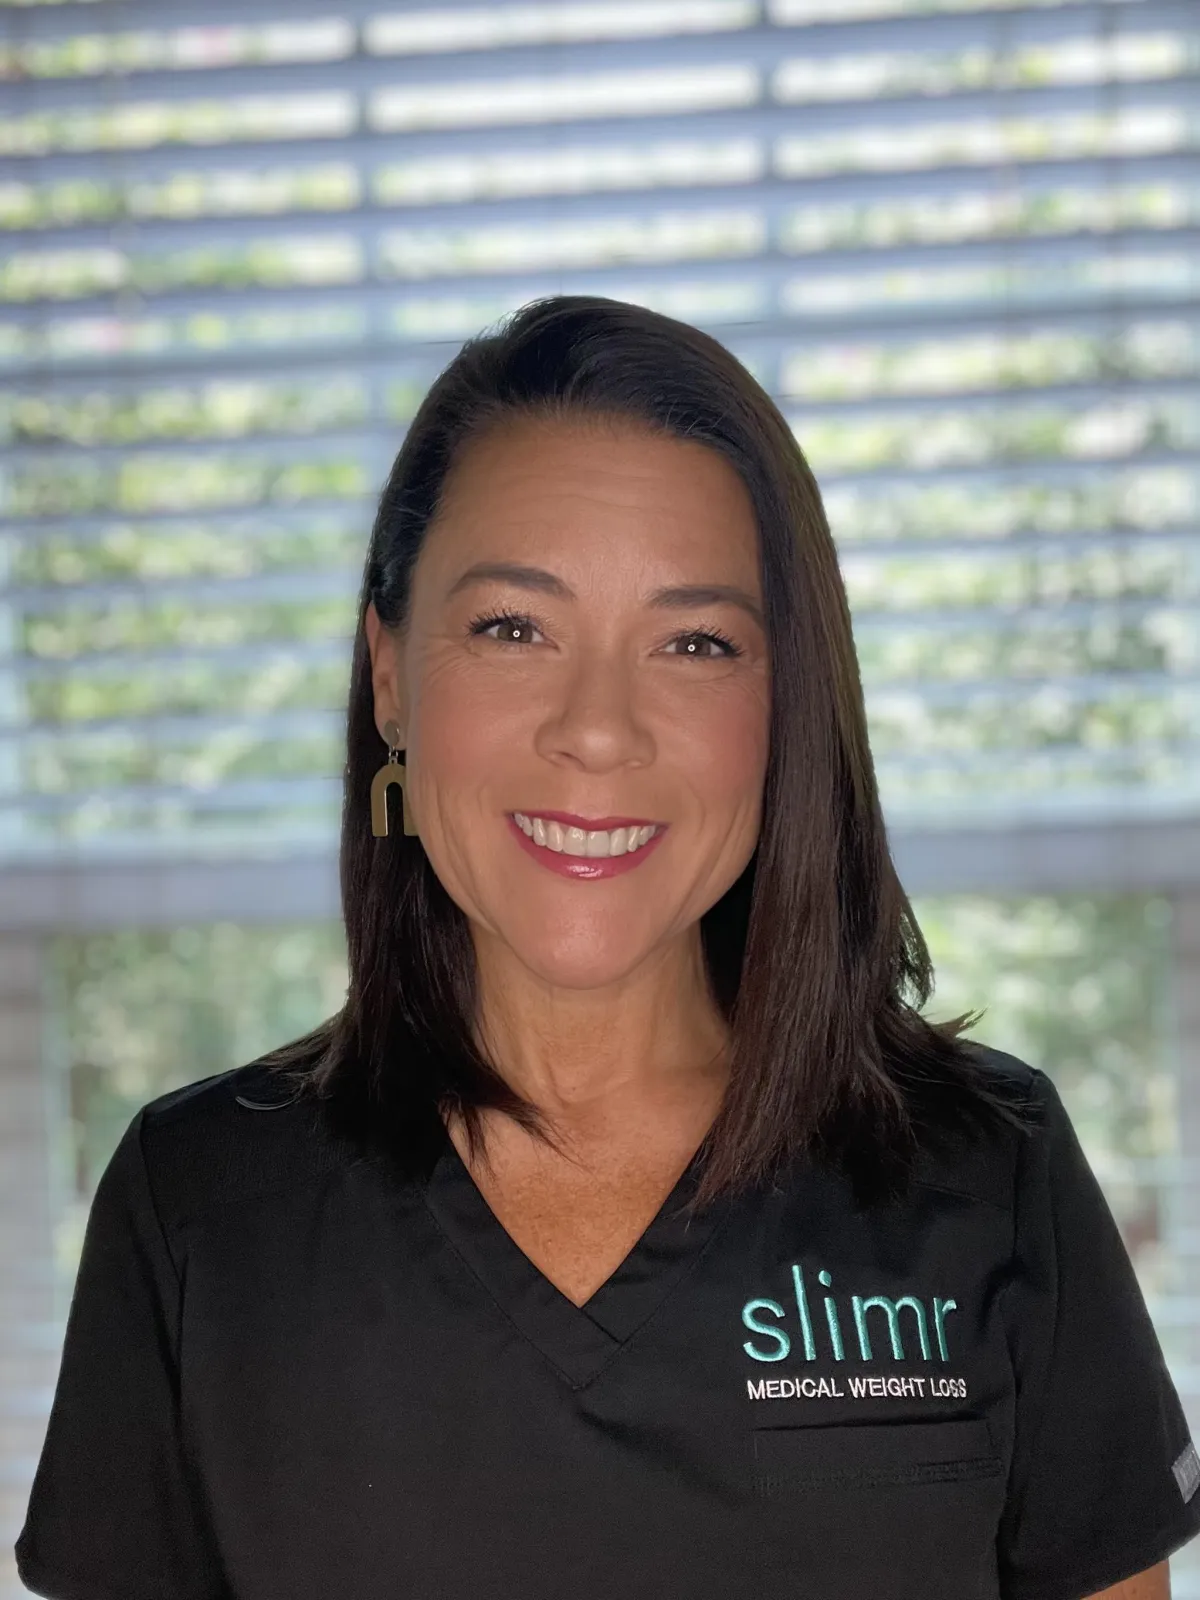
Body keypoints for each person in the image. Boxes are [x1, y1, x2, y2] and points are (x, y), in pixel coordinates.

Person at [14, 295, 1200, 1600]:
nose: (598, 730)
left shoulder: (991, 1175)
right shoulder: (197, 1211)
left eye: (695, 643)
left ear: (787, 703)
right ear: (392, 674)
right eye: (513, 627)